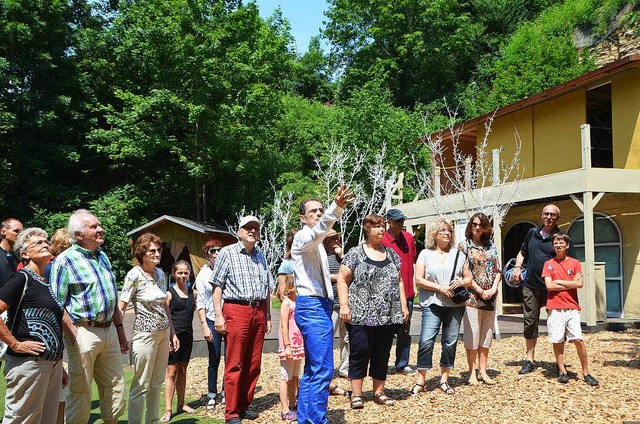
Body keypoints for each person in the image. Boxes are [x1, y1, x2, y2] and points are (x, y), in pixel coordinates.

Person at [50, 209, 128, 424]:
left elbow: (112, 297)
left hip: (109, 330)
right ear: (78, 235)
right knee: (81, 391)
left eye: (99, 225)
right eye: (93, 227)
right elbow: (57, 303)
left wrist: (120, 332)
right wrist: (74, 333)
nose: (100, 229)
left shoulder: (103, 257)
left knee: (116, 387)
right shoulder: (64, 261)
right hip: (83, 330)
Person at [291, 186, 354, 424]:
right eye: (313, 211)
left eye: (320, 210)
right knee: (324, 370)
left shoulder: (317, 244)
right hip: (312, 307)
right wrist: (336, 207)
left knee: (312, 371)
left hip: (319, 307)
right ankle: (317, 420)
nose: (318, 214)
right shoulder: (303, 237)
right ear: (302, 218)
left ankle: (306, 420)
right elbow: (319, 230)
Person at [337, 214, 409, 409]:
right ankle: (357, 394)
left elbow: (400, 281)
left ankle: (379, 392)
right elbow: (342, 279)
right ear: (367, 230)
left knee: (382, 353)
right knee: (360, 351)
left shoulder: (392, 254)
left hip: (387, 315)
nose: (381, 230)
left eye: (383, 226)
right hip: (360, 315)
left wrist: (403, 306)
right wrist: (344, 305)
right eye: (376, 226)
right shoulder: (355, 253)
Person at [211, 215, 274, 424]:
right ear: (239, 231)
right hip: (236, 309)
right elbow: (217, 286)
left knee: (254, 363)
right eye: (248, 227)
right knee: (235, 363)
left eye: (255, 228)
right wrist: (218, 315)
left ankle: (244, 405)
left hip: (258, 311)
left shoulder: (261, 256)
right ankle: (231, 412)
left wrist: (267, 315)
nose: (252, 231)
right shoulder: (227, 253)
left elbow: (266, 288)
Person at [0, 228, 67, 423]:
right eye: (38, 243)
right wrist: (16, 344)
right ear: (24, 254)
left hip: (50, 365)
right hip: (28, 364)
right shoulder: (22, 278)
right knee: (21, 419)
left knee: (47, 419)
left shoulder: (45, 282)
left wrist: (58, 366)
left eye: (46, 241)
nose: (45, 244)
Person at [118, 232, 178, 424]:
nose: (157, 253)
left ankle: (152, 420)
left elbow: (164, 305)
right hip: (144, 334)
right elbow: (122, 305)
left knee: (157, 382)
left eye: (159, 250)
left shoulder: (161, 274)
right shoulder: (134, 275)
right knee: (141, 383)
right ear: (142, 253)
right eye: (152, 250)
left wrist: (172, 333)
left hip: (163, 333)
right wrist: (120, 335)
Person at [510, 204, 575, 375]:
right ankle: (529, 360)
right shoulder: (532, 233)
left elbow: (569, 262)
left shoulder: (561, 238)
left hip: (553, 288)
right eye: (546, 213)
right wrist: (517, 267)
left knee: (557, 324)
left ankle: (559, 363)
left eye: (553, 214)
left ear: (557, 218)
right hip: (531, 285)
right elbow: (523, 253)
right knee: (530, 322)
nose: (549, 217)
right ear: (541, 215)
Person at [412, 218, 471, 396]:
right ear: (434, 235)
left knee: (450, 341)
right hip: (432, 303)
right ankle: (421, 380)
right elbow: (419, 279)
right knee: (426, 341)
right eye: (442, 231)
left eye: (449, 231)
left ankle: (444, 379)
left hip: (455, 304)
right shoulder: (425, 254)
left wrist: (461, 281)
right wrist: (440, 288)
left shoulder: (459, 255)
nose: (446, 233)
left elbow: (469, 279)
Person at [543, 233, 598, 386]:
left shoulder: (575, 263)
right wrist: (570, 282)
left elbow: (579, 284)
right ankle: (562, 371)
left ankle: (586, 372)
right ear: (553, 246)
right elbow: (549, 286)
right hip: (554, 307)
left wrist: (558, 281)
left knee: (578, 339)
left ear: (567, 245)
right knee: (558, 340)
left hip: (572, 306)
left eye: (561, 242)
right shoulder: (548, 264)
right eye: (555, 243)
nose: (558, 245)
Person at [458, 213, 501, 385]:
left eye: (480, 225)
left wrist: (492, 289)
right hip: (472, 297)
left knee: (486, 335)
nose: (477, 227)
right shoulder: (464, 247)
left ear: (486, 228)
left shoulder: (491, 246)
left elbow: (498, 270)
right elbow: (464, 272)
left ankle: (483, 370)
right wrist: (479, 290)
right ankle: (471, 372)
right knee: (472, 335)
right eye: (474, 224)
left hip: (490, 296)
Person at [381, 208, 417, 375]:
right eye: (397, 221)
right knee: (386, 330)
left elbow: (413, 262)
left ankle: (402, 364)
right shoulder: (382, 241)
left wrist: (414, 285)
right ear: (389, 222)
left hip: (408, 291)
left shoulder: (409, 238)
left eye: (402, 220)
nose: (401, 224)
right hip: (387, 294)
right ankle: (381, 363)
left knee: (405, 329)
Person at [163, 260, 198, 422]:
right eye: (180, 273)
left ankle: (181, 404)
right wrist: (170, 337)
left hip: (187, 336)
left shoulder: (194, 293)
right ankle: (168, 409)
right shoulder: (169, 294)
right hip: (173, 337)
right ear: (174, 274)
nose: (183, 275)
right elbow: (165, 317)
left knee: (183, 370)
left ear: (189, 273)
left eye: (186, 272)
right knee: (171, 372)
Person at [194, 239, 225, 409]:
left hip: (228, 319)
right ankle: (212, 393)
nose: (217, 253)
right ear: (207, 254)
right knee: (214, 358)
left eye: (219, 250)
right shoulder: (203, 275)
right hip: (212, 320)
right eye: (213, 251)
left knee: (230, 358)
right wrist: (204, 325)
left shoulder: (227, 269)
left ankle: (226, 391)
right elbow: (200, 302)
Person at [277, 271, 303, 422]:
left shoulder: (296, 302)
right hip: (290, 344)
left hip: (297, 344)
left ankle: (293, 404)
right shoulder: (286, 303)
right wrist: (287, 345)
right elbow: (284, 325)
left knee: (294, 376)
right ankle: (284, 409)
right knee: (285, 377)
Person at [0, 218, 23, 287]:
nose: (20, 235)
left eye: (21, 232)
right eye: (16, 231)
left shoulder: (21, 256)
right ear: (3, 232)